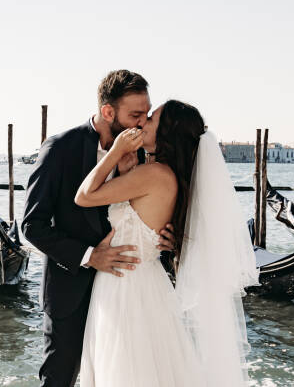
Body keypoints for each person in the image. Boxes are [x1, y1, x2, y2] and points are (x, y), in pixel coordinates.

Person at [76, 100, 259, 386]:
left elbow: (84, 196)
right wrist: (126, 173)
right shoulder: (163, 174)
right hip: (144, 282)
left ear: (167, 134)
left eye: (151, 119)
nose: (142, 122)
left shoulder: (155, 174)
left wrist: (114, 153)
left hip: (127, 286)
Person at [22, 70, 177, 387]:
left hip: (127, 293)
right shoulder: (60, 148)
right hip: (70, 290)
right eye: (135, 115)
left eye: (147, 114)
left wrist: (167, 237)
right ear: (108, 112)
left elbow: (150, 212)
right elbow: (32, 225)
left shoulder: (147, 153)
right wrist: (89, 256)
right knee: (59, 380)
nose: (142, 123)